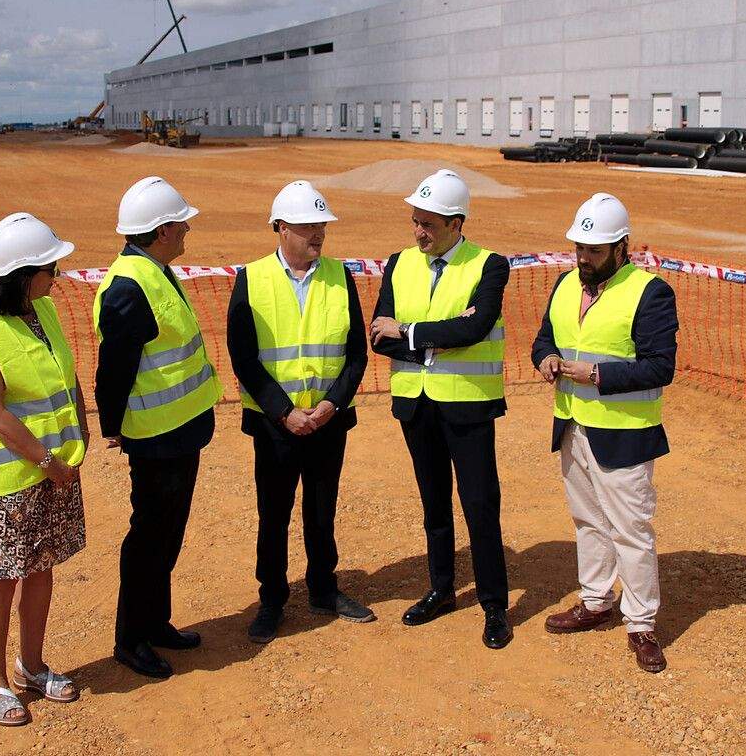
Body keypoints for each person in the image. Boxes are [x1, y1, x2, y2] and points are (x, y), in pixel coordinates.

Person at [530, 193, 678, 674]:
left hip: (624, 434)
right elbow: (545, 338)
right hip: (572, 425)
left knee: (630, 530)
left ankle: (642, 624)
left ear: (621, 246)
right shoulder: (564, 284)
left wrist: (596, 375)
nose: (583, 258)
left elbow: (660, 366)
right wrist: (546, 359)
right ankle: (595, 601)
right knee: (588, 520)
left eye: (594, 251)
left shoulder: (650, 293)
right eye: (579, 248)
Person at [0, 212, 86, 727]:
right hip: (11, 477)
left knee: (41, 565)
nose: (58, 276)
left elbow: (65, 375)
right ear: (24, 275)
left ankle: (31, 666)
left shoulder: (42, 308)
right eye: (51, 268)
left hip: (56, 470)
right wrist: (47, 462)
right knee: (2, 576)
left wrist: (79, 433)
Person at [369, 169, 513, 649]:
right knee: (434, 503)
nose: (418, 232)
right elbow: (378, 337)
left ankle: (494, 605)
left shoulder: (490, 265)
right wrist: (440, 336)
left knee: (480, 505)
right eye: (415, 221)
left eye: (428, 224)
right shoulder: (398, 264)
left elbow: (474, 328)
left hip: (468, 405)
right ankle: (442, 589)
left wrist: (408, 332)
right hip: (416, 405)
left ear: (456, 223)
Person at [226, 180, 374, 643]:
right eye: (308, 226)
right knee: (273, 514)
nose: (318, 233)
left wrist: (332, 403)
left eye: (322, 225)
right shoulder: (252, 279)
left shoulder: (340, 276)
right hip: (276, 426)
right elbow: (243, 357)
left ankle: (323, 589)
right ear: (281, 228)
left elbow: (356, 353)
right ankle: (272, 599)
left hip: (328, 421)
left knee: (321, 510)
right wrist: (283, 412)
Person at [93, 176, 222, 680]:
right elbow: (113, 369)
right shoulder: (129, 287)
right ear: (163, 230)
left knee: (168, 532)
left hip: (181, 430)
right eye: (181, 223)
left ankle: (155, 621)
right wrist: (112, 425)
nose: (188, 229)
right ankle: (130, 639)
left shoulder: (155, 270)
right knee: (149, 537)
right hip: (155, 437)